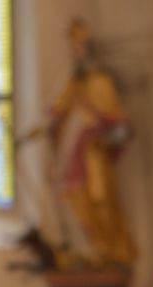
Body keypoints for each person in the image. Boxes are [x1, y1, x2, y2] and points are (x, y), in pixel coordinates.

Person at [47, 17, 136, 268]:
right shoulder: (71, 84)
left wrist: (106, 137)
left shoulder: (101, 82)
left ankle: (108, 252)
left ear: (89, 49)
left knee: (100, 203)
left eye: (80, 46)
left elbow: (121, 125)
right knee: (74, 203)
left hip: (94, 157)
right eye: (73, 47)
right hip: (72, 159)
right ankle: (86, 251)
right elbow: (56, 113)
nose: (76, 52)